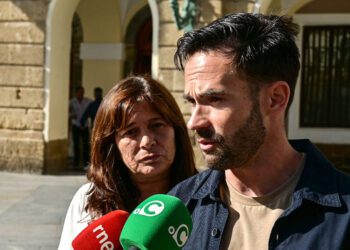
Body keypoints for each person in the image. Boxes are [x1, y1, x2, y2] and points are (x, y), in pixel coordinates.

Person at [169, 13, 350, 249]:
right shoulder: (179, 207)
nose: (194, 122)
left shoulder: (344, 218)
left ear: (275, 99)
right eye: (192, 102)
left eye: (214, 99)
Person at [58, 76, 197, 249]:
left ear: (176, 131)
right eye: (131, 132)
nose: (147, 141)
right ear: (112, 145)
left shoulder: (207, 199)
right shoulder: (88, 201)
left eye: (157, 125)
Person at [69, 86, 92, 168]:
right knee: (76, 144)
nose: (81, 94)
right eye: (80, 92)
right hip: (76, 125)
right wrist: (71, 115)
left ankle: (86, 162)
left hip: (85, 126)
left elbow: (91, 110)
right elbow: (68, 111)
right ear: (76, 93)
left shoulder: (88, 101)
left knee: (86, 144)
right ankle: (76, 162)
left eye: (83, 92)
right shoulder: (72, 102)